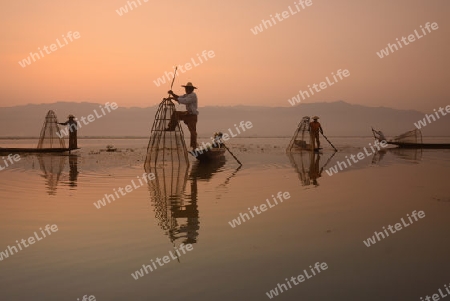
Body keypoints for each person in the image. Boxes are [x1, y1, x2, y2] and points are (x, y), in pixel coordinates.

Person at [166, 82, 199, 150]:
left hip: (192, 116)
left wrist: (173, 98)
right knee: (175, 114)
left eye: (187, 88)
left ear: (191, 89)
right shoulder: (187, 95)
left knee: (192, 131)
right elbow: (179, 97)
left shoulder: (193, 95)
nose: (186, 90)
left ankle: (194, 147)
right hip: (187, 114)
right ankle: (171, 127)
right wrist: (172, 94)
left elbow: (185, 101)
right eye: (186, 88)